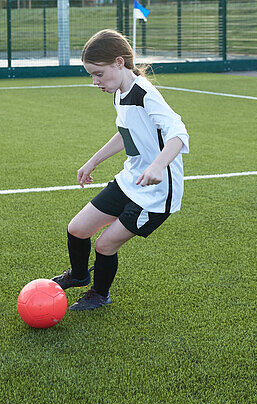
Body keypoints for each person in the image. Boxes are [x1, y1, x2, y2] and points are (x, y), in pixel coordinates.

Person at [50, 28, 189, 311]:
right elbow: (126, 132)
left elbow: (179, 133)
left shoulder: (145, 94)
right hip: (131, 180)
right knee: (77, 229)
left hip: (156, 193)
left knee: (104, 245)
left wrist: (158, 166)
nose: (95, 81)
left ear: (118, 62)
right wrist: (93, 161)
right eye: (91, 74)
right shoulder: (120, 92)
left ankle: (99, 294)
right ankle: (78, 276)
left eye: (98, 74)